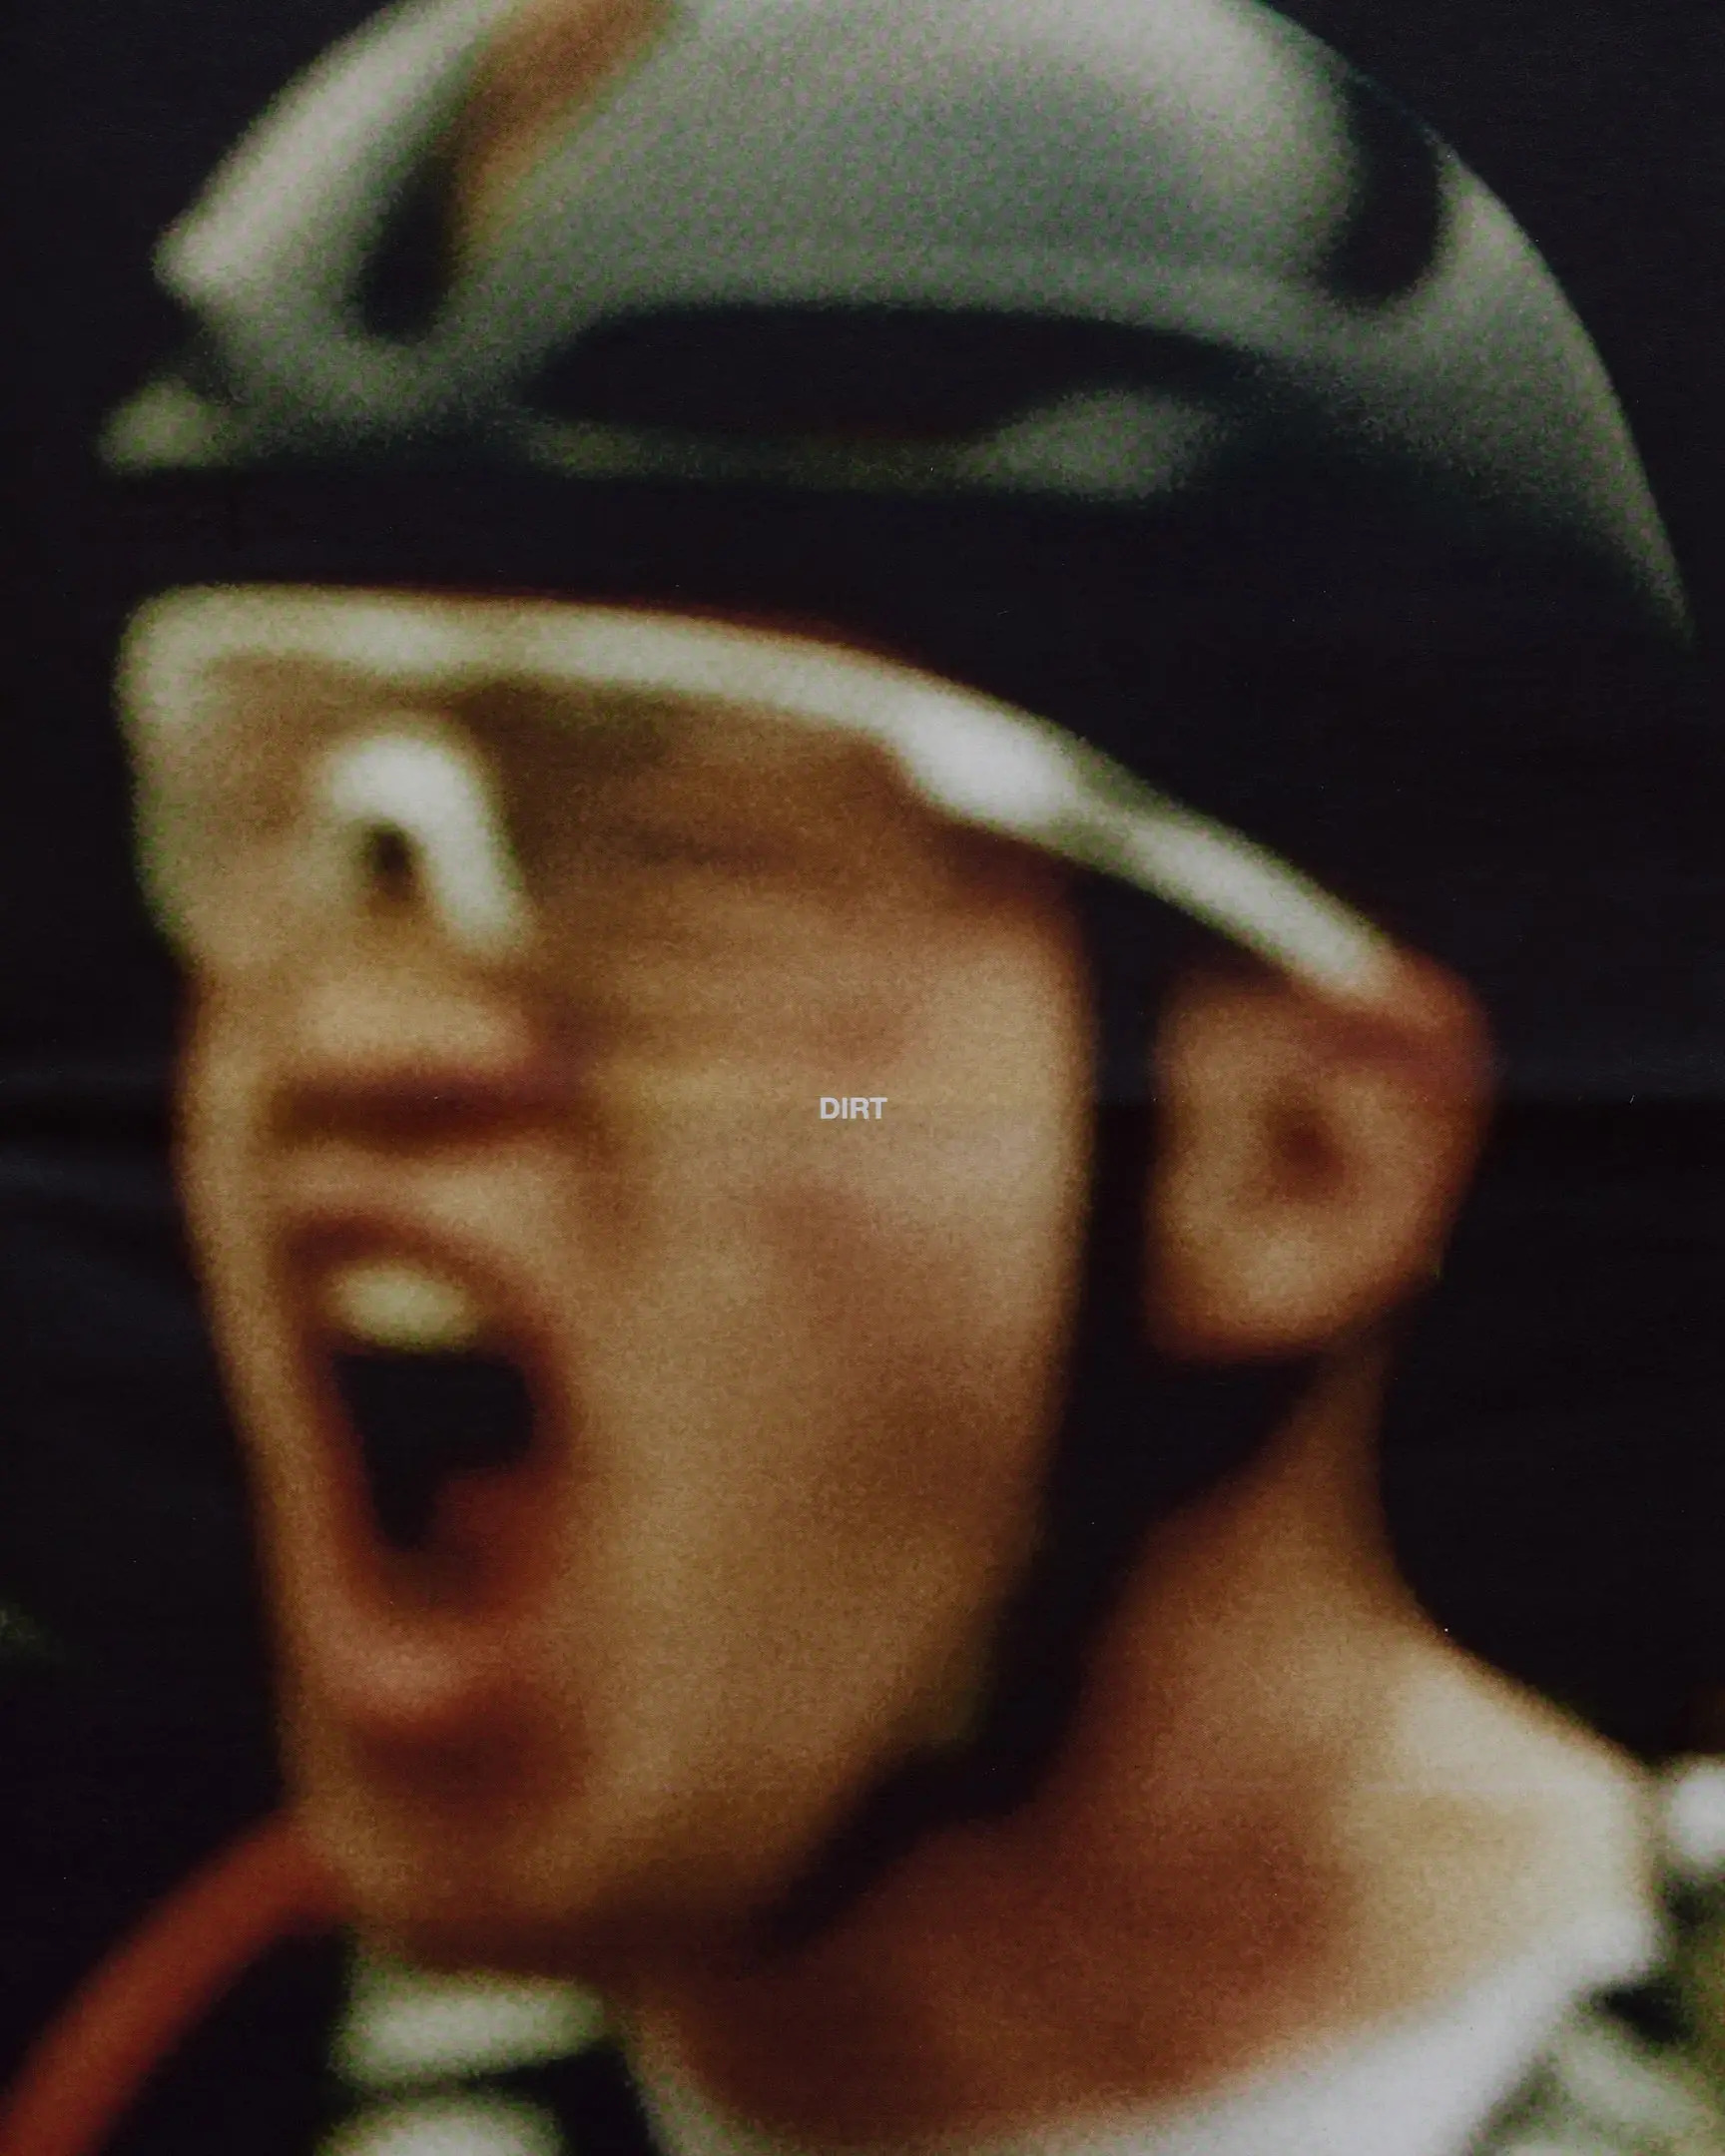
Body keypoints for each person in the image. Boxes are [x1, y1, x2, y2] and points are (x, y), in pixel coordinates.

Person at [91, 0, 1725, 2148]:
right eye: (276, 809)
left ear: (1299, 1153)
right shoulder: (175, 2076)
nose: (358, 1040)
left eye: (673, 859)